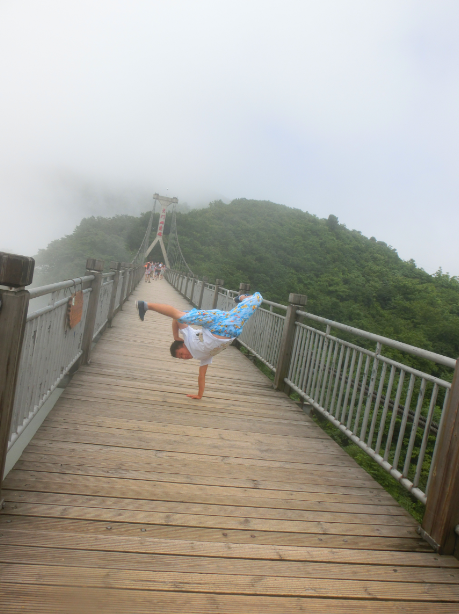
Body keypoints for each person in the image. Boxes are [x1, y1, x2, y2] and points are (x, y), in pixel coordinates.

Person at [135, 293, 262, 399]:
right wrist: (199, 395)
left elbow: (176, 319)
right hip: (229, 326)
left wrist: (175, 336)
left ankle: (145, 305)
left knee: (181, 315)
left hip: (212, 321)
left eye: (180, 354)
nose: (183, 357)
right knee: (257, 299)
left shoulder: (188, 335)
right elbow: (201, 376)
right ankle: (242, 298)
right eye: (181, 358)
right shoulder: (202, 357)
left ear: (182, 345)